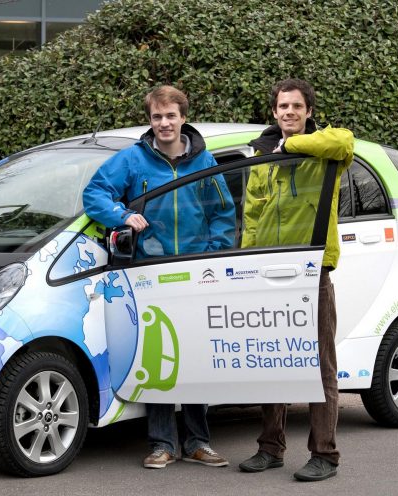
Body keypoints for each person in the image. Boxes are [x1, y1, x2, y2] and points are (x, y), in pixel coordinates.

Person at [83, 85, 235, 469]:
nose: (164, 123)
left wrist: (212, 254)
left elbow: (223, 212)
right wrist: (122, 215)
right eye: (157, 117)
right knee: (158, 355)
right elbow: (95, 194)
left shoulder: (204, 161)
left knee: (195, 355)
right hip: (151, 271)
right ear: (150, 121)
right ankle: (162, 444)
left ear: (184, 117)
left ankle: (198, 442)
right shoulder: (133, 160)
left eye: (170, 116)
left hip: (196, 272)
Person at [237, 78, 354, 482]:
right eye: (283, 106)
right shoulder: (260, 155)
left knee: (321, 366)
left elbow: (344, 142)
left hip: (312, 269)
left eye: (297, 106)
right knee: (273, 362)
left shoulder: (325, 148)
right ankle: (270, 448)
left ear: (308, 112)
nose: (289, 112)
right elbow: (252, 215)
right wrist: (247, 265)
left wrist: (291, 146)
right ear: (274, 112)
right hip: (268, 269)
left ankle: (325, 454)